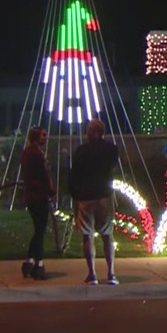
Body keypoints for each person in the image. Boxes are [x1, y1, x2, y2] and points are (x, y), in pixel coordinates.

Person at [68, 119, 120, 285]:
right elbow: (112, 168)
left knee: (87, 235)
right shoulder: (111, 149)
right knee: (107, 235)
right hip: (104, 194)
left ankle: (92, 274)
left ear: (91, 132)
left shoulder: (82, 151)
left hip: (85, 197)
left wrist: (74, 193)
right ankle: (111, 273)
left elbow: (74, 173)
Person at [20, 126, 54, 281]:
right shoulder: (37, 155)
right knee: (40, 231)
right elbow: (43, 175)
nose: (46, 138)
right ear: (36, 138)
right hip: (39, 196)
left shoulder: (26, 153)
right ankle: (38, 265)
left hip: (30, 196)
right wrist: (50, 190)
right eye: (43, 135)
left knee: (38, 229)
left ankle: (29, 262)